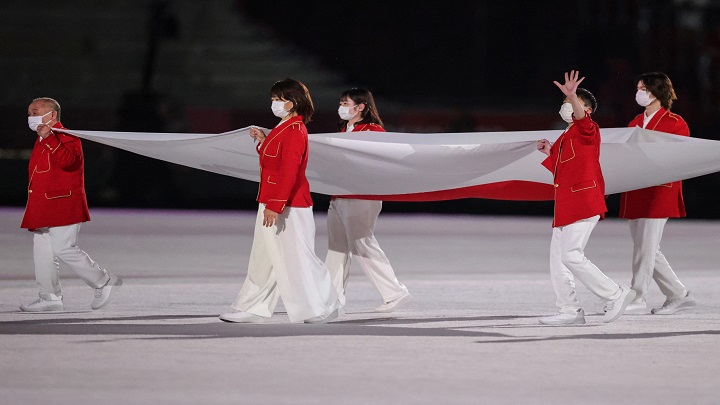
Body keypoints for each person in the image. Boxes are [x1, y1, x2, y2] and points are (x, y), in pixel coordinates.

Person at [219, 78, 340, 324]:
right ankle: (254, 307)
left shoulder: (295, 129)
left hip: (289, 206)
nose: (273, 103)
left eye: (278, 99)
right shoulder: (284, 126)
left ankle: (322, 307)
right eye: (273, 99)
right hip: (273, 202)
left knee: (297, 259)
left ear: (293, 102)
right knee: (263, 258)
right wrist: (264, 140)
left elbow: (289, 172)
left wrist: (275, 205)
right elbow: (275, 162)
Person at [536, 71, 636, 325]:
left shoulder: (587, 128)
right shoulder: (565, 137)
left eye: (569, 104)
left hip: (583, 200)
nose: (565, 108)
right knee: (558, 261)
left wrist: (572, 96)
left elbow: (583, 121)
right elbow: (563, 170)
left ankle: (615, 294)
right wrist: (549, 151)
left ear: (586, 109)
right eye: (564, 104)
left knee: (571, 255)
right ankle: (569, 310)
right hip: (567, 203)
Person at [20, 97, 122, 312]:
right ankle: (50, 297)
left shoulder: (65, 135)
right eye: (29, 113)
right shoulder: (43, 138)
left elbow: (69, 161)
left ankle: (104, 281)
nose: (31, 117)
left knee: (63, 248)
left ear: (52, 115)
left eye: (36, 111)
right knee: (43, 253)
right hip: (44, 204)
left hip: (62, 202)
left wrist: (49, 138)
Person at [325, 88, 411, 313]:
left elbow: (381, 163)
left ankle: (394, 292)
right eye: (341, 102)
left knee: (362, 243)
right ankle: (330, 298)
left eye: (346, 103)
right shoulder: (345, 128)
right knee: (337, 247)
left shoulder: (373, 130)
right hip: (339, 194)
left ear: (360, 106)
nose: (341, 107)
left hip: (362, 195)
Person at [619, 72, 696, 315]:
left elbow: (679, 159)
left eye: (644, 88)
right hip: (636, 189)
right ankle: (678, 294)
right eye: (638, 87)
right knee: (646, 247)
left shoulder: (676, 123)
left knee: (646, 247)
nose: (639, 92)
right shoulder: (634, 122)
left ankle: (637, 297)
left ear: (656, 92)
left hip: (660, 190)